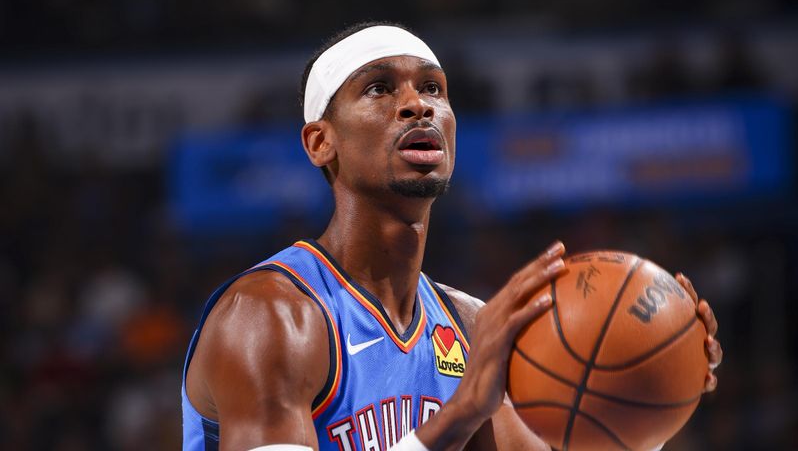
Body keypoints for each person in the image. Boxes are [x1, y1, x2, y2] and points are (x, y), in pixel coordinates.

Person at [181, 22, 722, 451]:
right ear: (321, 141)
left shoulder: (470, 325)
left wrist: (653, 392)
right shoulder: (270, 315)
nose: (419, 105)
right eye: (379, 88)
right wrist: (460, 413)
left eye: (434, 89)